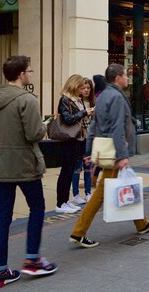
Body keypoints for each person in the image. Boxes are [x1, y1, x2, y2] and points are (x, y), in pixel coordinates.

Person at [0, 56, 57, 287]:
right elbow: (34, 134)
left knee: (2, 216)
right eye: (30, 70)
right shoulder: (27, 99)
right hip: (24, 163)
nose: (31, 74)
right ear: (21, 74)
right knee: (37, 207)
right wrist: (44, 125)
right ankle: (33, 260)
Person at [69, 64, 149, 249]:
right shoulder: (117, 97)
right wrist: (122, 156)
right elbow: (118, 128)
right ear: (118, 77)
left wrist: (90, 151)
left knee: (125, 184)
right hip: (115, 151)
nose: (127, 79)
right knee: (102, 192)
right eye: (126, 75)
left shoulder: (101, 97)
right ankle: (79, 232)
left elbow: (94, 125)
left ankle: (141, 223)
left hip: (106, 149)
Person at [54, 75, 94, 214]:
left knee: (70, 170)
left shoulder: (77, 100)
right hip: (68, 139)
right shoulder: (65, 100)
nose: (82, 90)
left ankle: (65, 201)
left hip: (78, 138)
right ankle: (60, 203)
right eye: (80, 87)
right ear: (74, 86)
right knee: (66, 171)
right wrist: (84, 112)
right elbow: (67, 118)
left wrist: (86, 113)